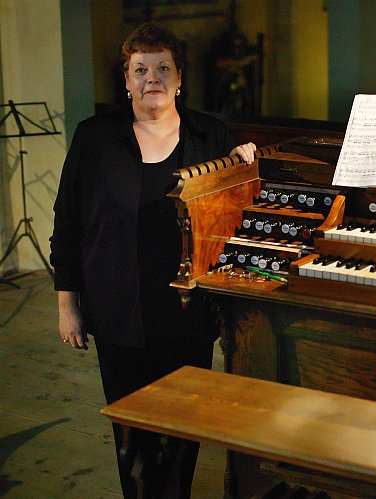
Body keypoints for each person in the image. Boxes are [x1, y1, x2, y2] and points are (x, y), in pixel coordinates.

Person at [50, 22, 256, 497]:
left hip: (188, 314)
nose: (152, 78)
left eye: (163, 68)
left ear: (180, 78)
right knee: (134, 437)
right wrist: (68, 303)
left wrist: (245, 164)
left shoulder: (211, 134)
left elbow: (234, 214)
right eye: (140, 69)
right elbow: (68, 222)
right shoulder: (94, 137)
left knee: (184, 428)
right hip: (117, 310)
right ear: (126, 81)